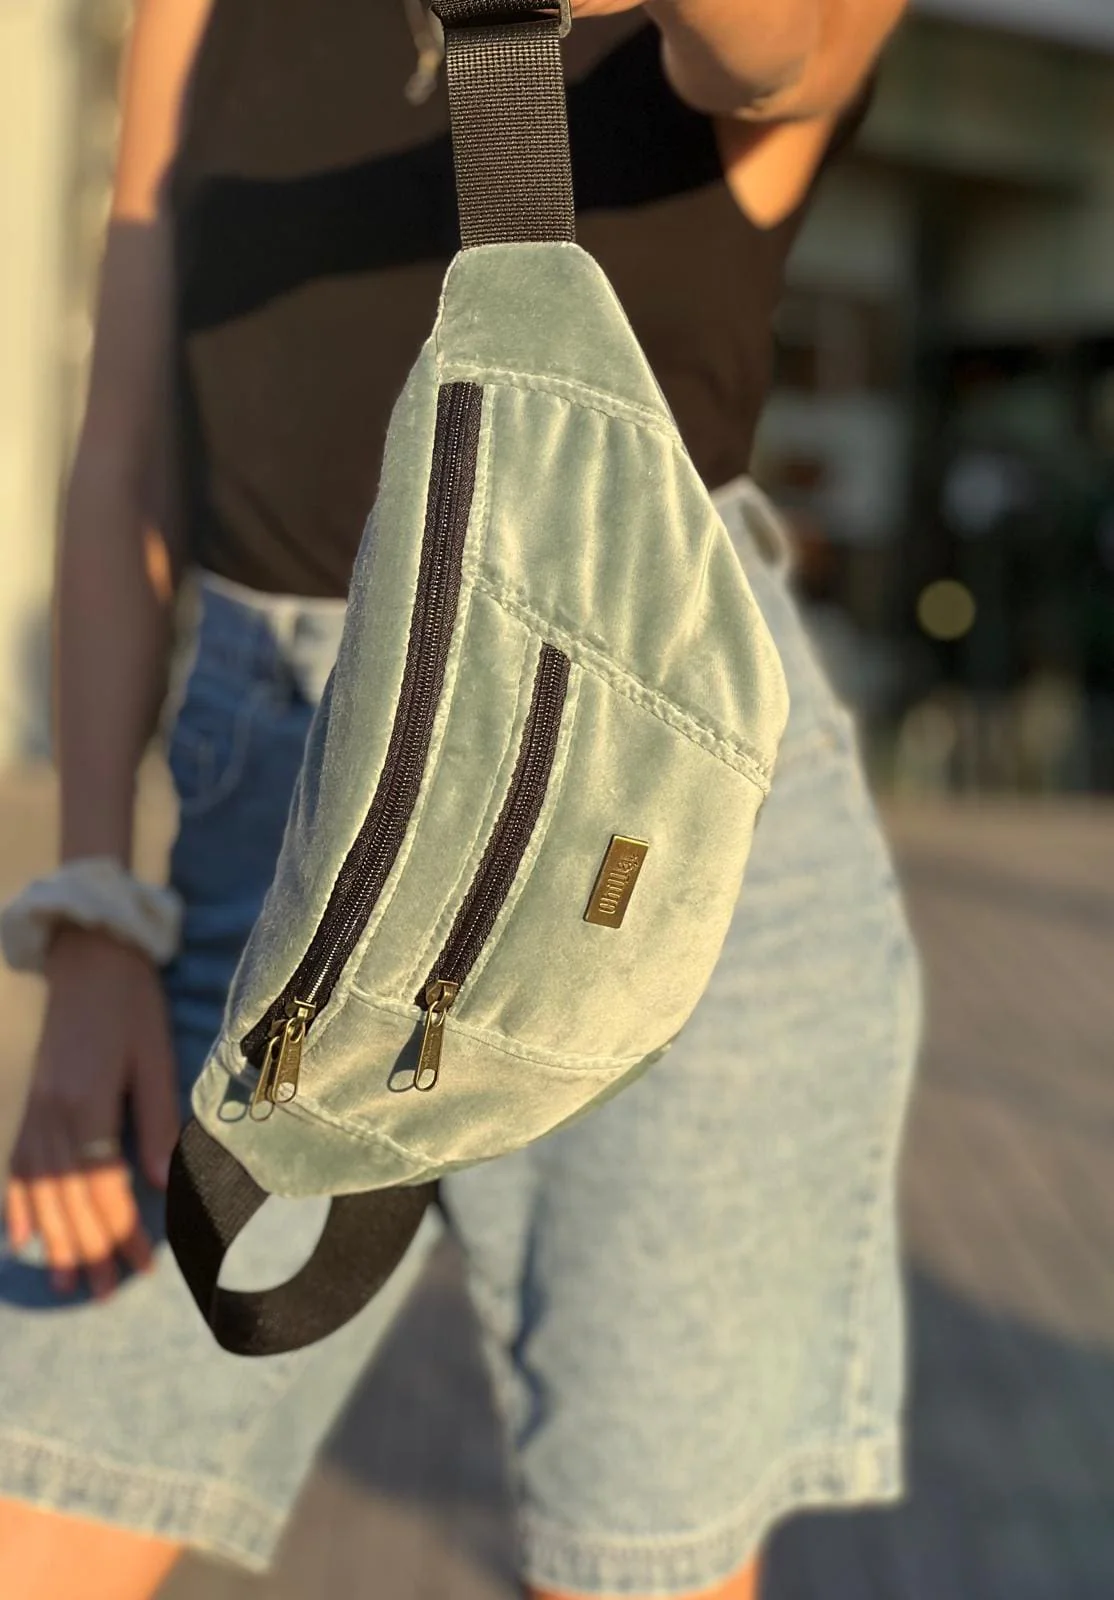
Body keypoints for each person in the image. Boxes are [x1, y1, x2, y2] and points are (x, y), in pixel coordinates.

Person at [0, 3, 918, 1598]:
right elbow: (125, 458)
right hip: (275, 830)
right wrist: (93, 919)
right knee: (40, 1507)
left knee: (639, 1572)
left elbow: (773, 59)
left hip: (648, 864)